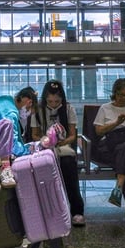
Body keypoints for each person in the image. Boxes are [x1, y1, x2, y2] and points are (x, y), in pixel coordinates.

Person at [0, 89, 56, 188]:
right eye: (29, 111)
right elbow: (13, 146)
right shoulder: (11, 112)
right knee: (6, 124)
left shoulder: (7, 102)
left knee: (8, 125)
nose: (27, 115)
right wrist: (33, 148)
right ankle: (5, 169)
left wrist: (29, 147)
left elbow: (12, 140)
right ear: (29, 102)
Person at [31, 80, 85, 227]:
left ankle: (77, 211)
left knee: (68, 167)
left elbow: (73, 135)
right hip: (44, 149)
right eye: (50, 101)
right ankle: (47, 212)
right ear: (45, 99)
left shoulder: (68, 109)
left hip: (63, 147)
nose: (54, 104)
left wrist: (61, 141)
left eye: (57, 101)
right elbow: (34, 134)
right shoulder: (38, 110)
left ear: (62, 99)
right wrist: (45, 141)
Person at [93, 77, 125, 230]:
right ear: (114, 94)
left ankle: (118, 189)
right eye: (120, 95)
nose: (123, 98)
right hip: (109, 148)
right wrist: (117, 122)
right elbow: (98, 131)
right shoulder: (105, 108)